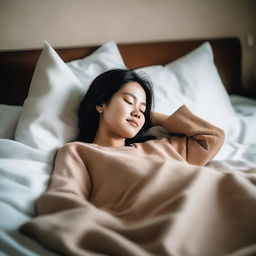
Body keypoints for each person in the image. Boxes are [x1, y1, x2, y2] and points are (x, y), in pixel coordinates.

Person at [21, 69, 230, 256]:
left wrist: (151, 117)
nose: (137, 112)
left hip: (212, 202)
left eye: (143, 108)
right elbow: (63, 199)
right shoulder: (80, 152)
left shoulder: (160, 145)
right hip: (169, 223)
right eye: (129, 101)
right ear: (101, 104)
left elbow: (212, 138)